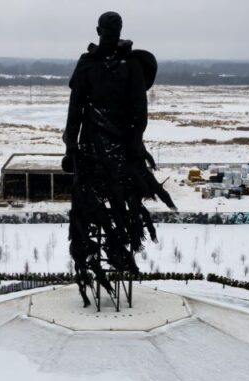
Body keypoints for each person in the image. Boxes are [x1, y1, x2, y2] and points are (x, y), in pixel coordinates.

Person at [62, 11, 175, 307]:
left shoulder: (132, 66)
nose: (111, 33)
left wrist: (136, 142)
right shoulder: (86, 65)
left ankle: (122, 252)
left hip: (122, 145)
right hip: (92, 144)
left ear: (121, 30)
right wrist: (70, 147)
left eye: (116, 28)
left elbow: (140, 109)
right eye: (107, 28)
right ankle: (93, 265)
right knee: (89, 210)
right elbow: (75, 110)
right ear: (98, 29)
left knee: (124, 205)